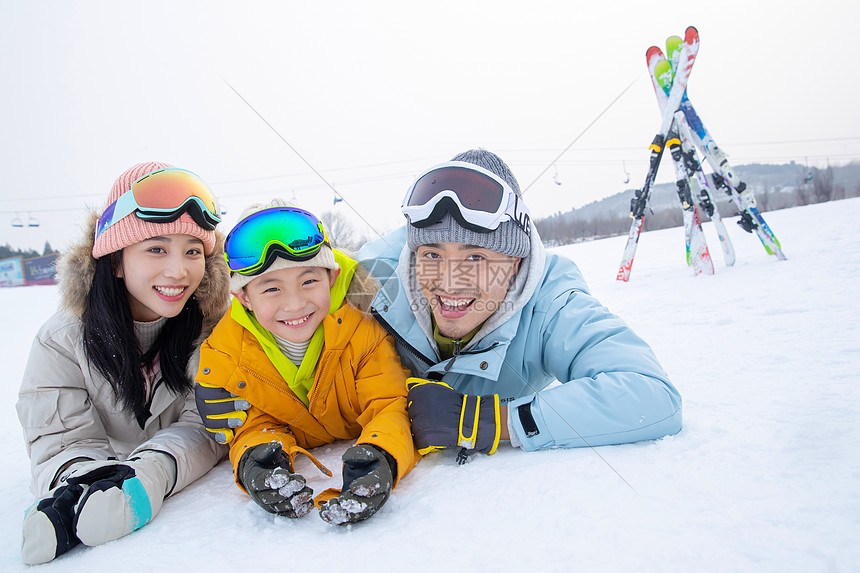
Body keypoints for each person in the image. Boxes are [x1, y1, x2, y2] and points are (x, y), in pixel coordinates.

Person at [197, 149, 681, 463]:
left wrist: (491, 421)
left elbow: (651, 396)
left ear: (514, 258)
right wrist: (227, 383)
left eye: (475, 256)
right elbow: (282, 302)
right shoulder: (374, 280)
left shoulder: (551, 304)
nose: (449, 281)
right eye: (431, 255)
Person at [16, 162, 230, 565]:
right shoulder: (62, 340)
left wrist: (153, 471)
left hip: (159, 463)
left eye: (192, 251)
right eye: (156, 248)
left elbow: (204, 425)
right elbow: (59, 439)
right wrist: (80, 483)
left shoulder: (216, 332)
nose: (178, 270)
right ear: (115, 261)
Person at [194, 201, 417, 526]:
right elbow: (254, 424)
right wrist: (257, 459)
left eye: (309, 281)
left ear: (331, 276)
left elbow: (388, 405)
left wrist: (382, 454)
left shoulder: (363, 328)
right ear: (244, 298)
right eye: (271, 288)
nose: (295, 303)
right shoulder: (226, 357)